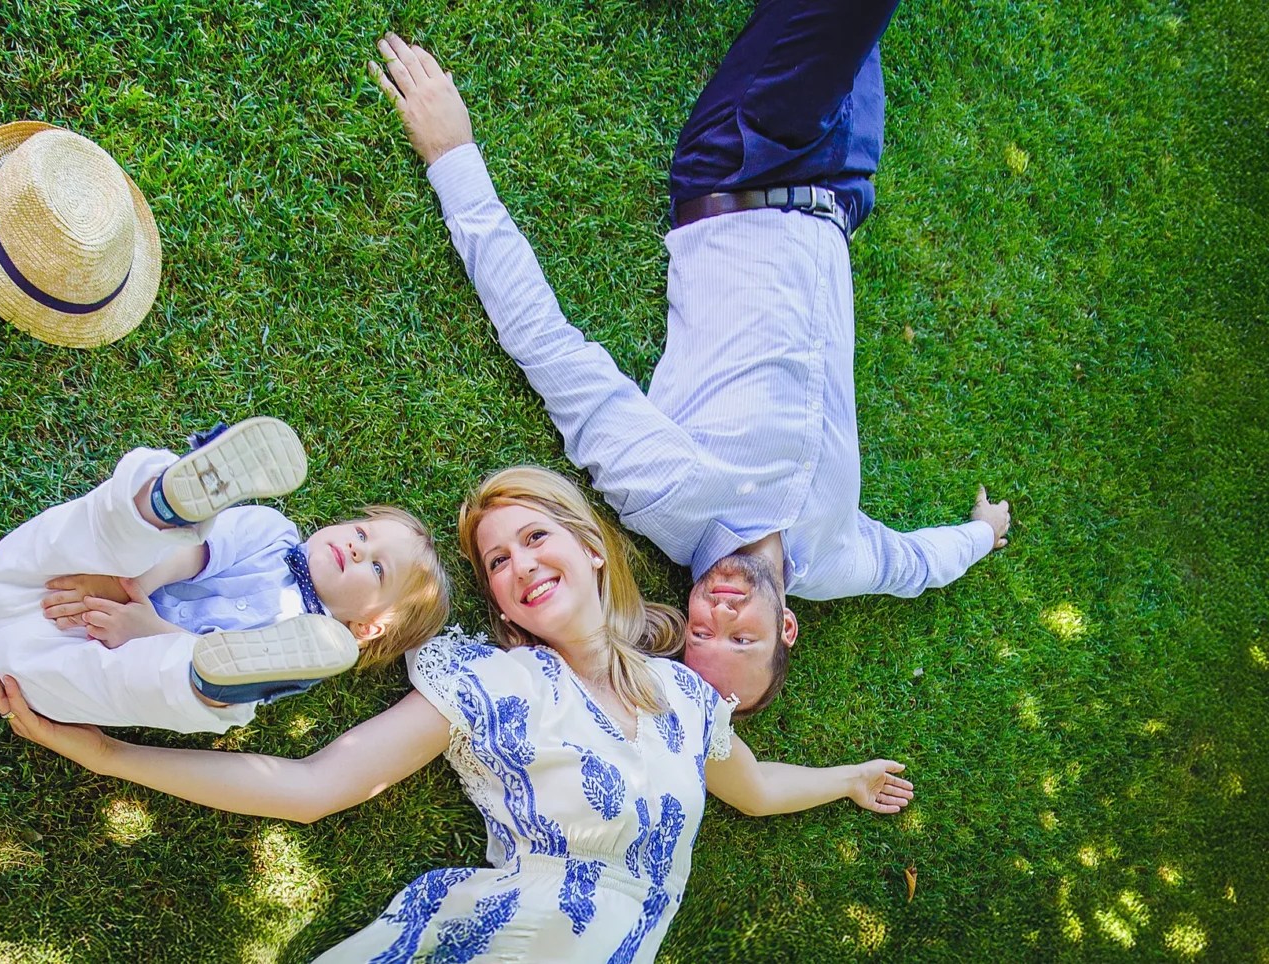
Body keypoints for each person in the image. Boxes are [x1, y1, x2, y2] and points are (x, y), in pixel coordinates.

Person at [0, 465, 914, 963]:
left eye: (534, 537)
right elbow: (315, 787)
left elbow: (748, 789)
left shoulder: (687, 701)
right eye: (498, 564)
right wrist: (104, 757)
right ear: (501, 610)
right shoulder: (496, 686)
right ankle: (180, 577)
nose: (518, 567)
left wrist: (848, 779)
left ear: (590, 551)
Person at [368, 13, 1014, 718]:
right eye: (741, 635)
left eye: (701, 629)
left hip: (750, 158)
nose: (719, 609)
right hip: (843, 191)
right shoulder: (837, 561)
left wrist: (452, 156)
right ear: (786, 628)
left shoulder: (667, 496)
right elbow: (916, 566)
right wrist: (983, 533)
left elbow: (543, 341)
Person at [0, 416, 450, 734]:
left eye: (377, 567)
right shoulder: (272, 533)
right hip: (61, 586)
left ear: (368, 628)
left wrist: (147, 633)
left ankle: (213, 689)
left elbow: (212, 650)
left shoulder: (308, 647)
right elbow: (192, 559)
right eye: (363, 532)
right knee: (100, 538)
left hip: (66, 665)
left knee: (173, 687)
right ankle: (161, 504)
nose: (356, 546)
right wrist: (127, 585)